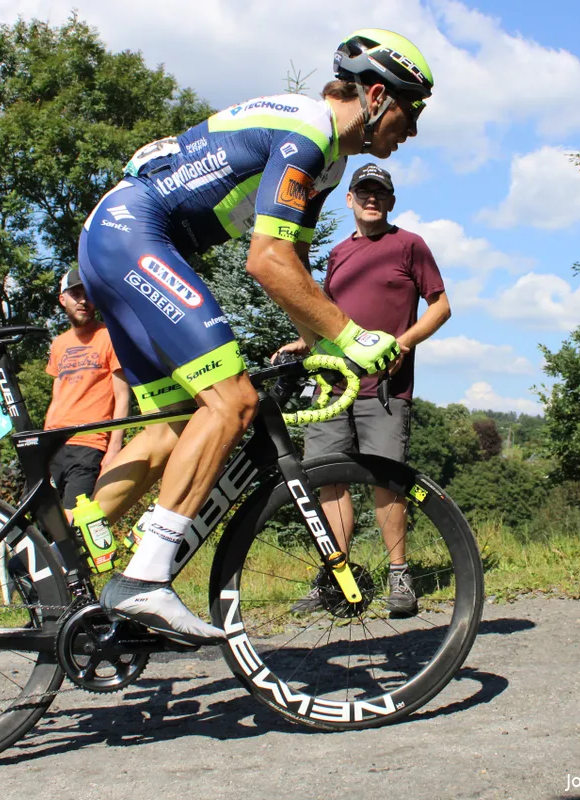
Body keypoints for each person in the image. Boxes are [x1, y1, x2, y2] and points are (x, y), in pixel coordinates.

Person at [75, 29, 434, 644]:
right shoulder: (311, 132)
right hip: (136, 233)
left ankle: (48, 557)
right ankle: (146, 579)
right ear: (376, 96)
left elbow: (294, 263)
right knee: (233, 402)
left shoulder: (330, 163)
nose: (415, 130)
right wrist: (351, 335)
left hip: (115, 237)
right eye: (412, 109)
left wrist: (321, 347)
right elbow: (266, 261)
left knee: (172, 426)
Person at [272, 163, 449, 617]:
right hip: (331, 386)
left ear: (390, 201)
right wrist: (306, 342)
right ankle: (336, 576)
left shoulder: (409, 244)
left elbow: (441, 308)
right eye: (363, 192)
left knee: (387, 482)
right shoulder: (337, 253)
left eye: (379, 193)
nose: (371, 199)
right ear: (349, 199)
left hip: (384, 387)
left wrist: (403, 343)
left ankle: (399, 576)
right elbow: (327, 312)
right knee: (327, 480)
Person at [45, 269, 131, 508]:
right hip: (53, 443)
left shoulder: (110, 337)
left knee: (75, 519)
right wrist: (44, 443)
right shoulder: (59, 343)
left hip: (90, 444)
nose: (83, 300)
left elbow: (122, 397)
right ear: (63, 299)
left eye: (89, 294)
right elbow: (57, 397)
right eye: (76, 294)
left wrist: (114, 448)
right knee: (40, 516)